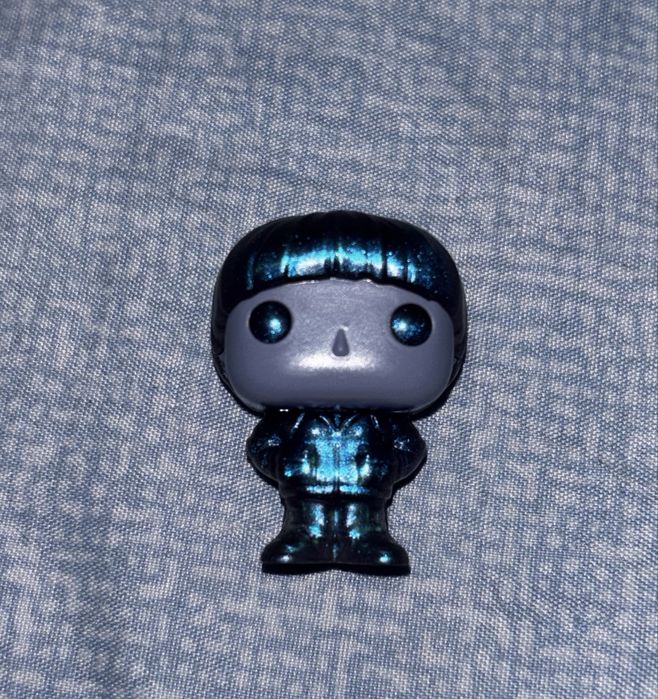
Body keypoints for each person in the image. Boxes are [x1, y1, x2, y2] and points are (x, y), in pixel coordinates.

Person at [212, 210, 467, 574]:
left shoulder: (380, 425)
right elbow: (261, 445)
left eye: (407, 324)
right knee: (306, 522)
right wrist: (285, 466)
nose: (340, 345)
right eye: (274, 320)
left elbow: (411, 447)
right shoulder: (291, 422)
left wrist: (386, 468)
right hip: (303, 492)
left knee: (364, 524)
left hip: (369, 493)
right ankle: (305, 535)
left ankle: (367, 537)